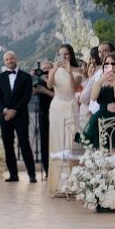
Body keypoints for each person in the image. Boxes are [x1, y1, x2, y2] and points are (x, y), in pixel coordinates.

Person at [0, 52, 38, 182]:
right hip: (5, 116)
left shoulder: (26, 77)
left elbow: (26, 96)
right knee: (8, 146)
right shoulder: (0, 78)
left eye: (11, 58)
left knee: (24, 144)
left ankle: (32, 175)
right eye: (6, 59)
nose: (9, 61)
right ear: (4, 62)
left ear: (16, 59)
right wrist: (6, 110)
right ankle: (13, 175)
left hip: (20, 116)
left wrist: (15, 110)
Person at [47, 42, 81, 194]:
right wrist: (54, 70)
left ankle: (72, 183)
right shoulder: (54, 70)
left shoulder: (77, 69)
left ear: (71, 55)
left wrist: (68, 71)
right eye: (60, 54)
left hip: (71, 107)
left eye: (66, 54)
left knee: (70, 143)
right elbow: (49, 85)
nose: (63, 56)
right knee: (57, 143)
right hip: (56, 108)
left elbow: (75, 88)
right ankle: (59, 184)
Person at [31, 59, 53, 178]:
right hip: (43, 114)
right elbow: (30, 92)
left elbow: (58, 95)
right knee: (44, 142)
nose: (45, 71)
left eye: (47, 69)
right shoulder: (39, 81)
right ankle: (47, 170)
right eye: (43, 69)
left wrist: (44, 90)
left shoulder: (55, 81)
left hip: (55, 113)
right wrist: (31, 77)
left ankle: (54, 169)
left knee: (54, 142)